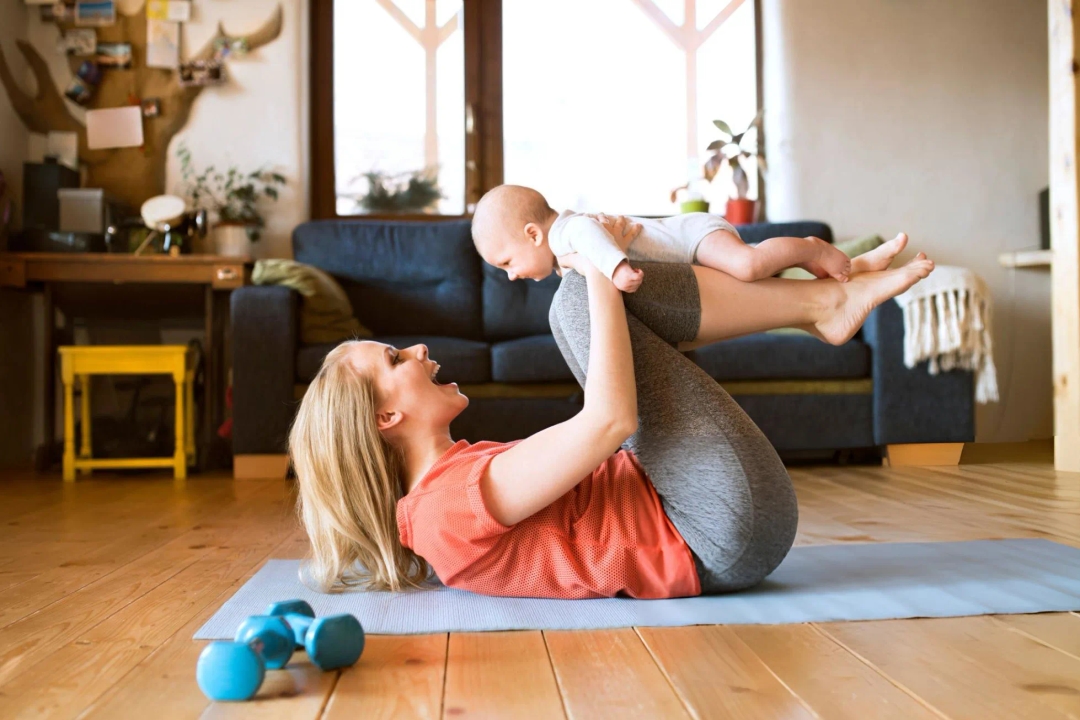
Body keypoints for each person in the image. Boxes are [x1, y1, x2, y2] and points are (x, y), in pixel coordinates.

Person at [288, 217, 934, 598]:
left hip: (708, 513)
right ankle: (820, 305)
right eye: (397, 360)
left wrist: (606, 268)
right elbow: (610, 422)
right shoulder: (440, 510)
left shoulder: (448, 487)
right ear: (385, 420)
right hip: (713, 530)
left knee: (593, 295)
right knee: (577, 297)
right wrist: (598, 266)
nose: (419, 347)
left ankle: (821, 304)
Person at [470, 185, 901, 293]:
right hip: (687, 252)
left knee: (748, 266)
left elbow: (589, 232)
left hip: (691, 237)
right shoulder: (562, 258)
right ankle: (832, 267)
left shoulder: (567, 232)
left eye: (507, 263)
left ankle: (812, 247)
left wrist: (616, 268)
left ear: (533, 233)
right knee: (754, 285)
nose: (510, 277)